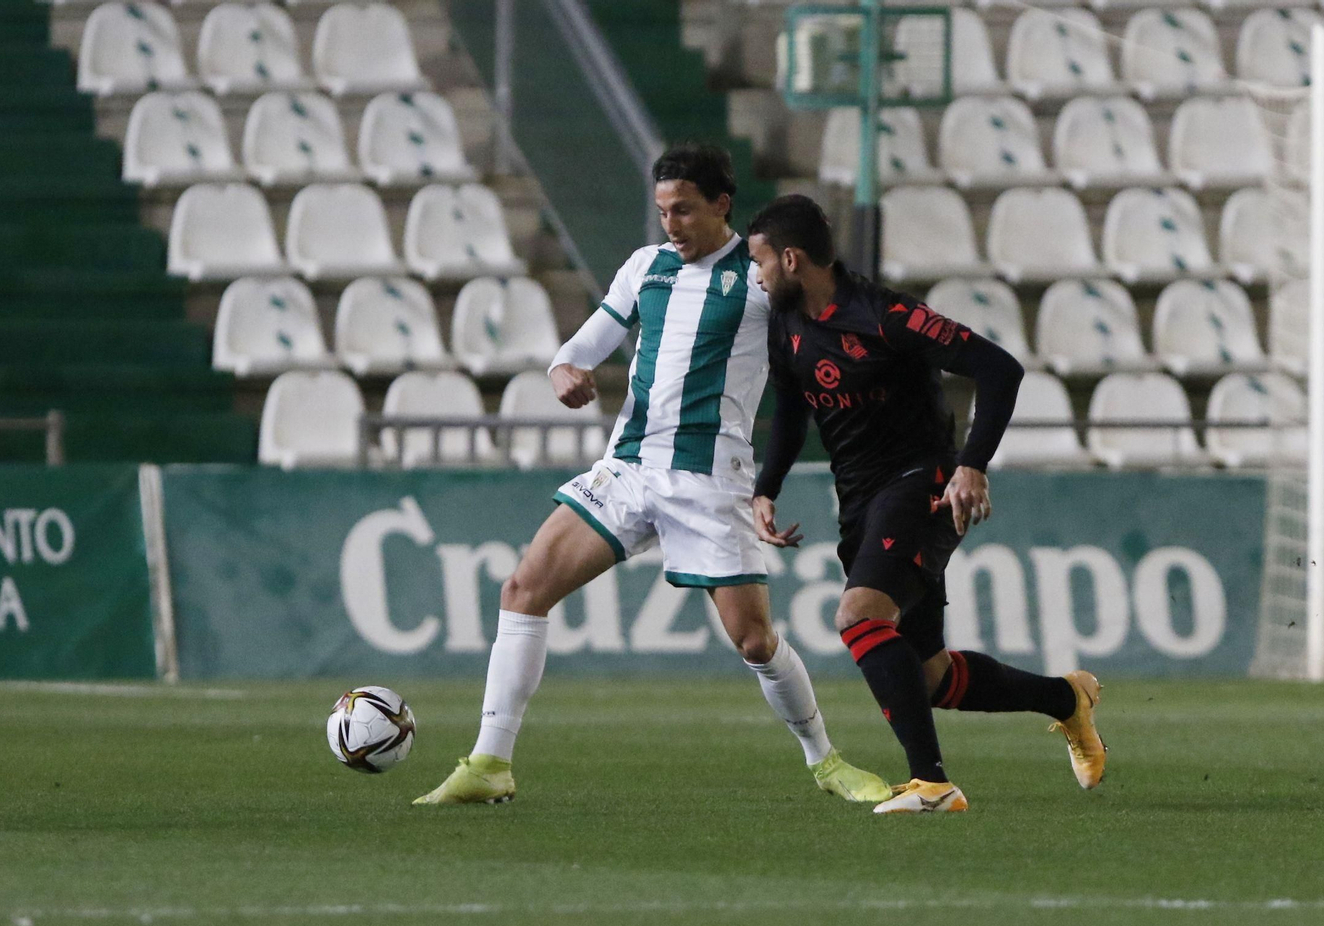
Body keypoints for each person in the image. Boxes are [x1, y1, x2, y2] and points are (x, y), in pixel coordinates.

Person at [414, 147, 889, 806]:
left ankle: (826, 760)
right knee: (523, 589)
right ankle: (491, 761)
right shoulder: (645, 267)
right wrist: (564, 375)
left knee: (753, 639)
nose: (671, 222)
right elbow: (580, 348)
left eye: (685, 209)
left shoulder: (759, 283)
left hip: (710, 480)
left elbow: (823, 357)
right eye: (663, 209)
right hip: (629, 469)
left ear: (722, 205)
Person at [744, 194, 1107, 815]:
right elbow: (790, 410)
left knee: (859, 617)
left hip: (924, 483)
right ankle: (1066, 699)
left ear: (791, 258)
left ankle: (932, 785)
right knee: (930, 674)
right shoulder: (786, 324)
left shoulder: (887, 316)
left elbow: (1000, 369)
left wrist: (972, 464)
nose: (755, 275)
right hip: (860, 499)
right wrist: (766, 487)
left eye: (758, 262)